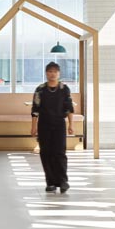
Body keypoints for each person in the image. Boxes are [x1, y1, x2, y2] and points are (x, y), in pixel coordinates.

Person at [30, 62, 75, 193]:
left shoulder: (64, 89)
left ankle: (63, 181)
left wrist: (71, 125)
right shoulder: (40, 89)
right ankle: (50, 182)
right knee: (46, 153)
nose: (52, 74)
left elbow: (69, 108)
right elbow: (35, 110)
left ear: (59, 73)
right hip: (44, 124)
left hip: (59, 124)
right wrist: (33, 127)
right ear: (46, 73)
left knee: (60, 152)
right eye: (50, 71)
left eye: (55, 71)